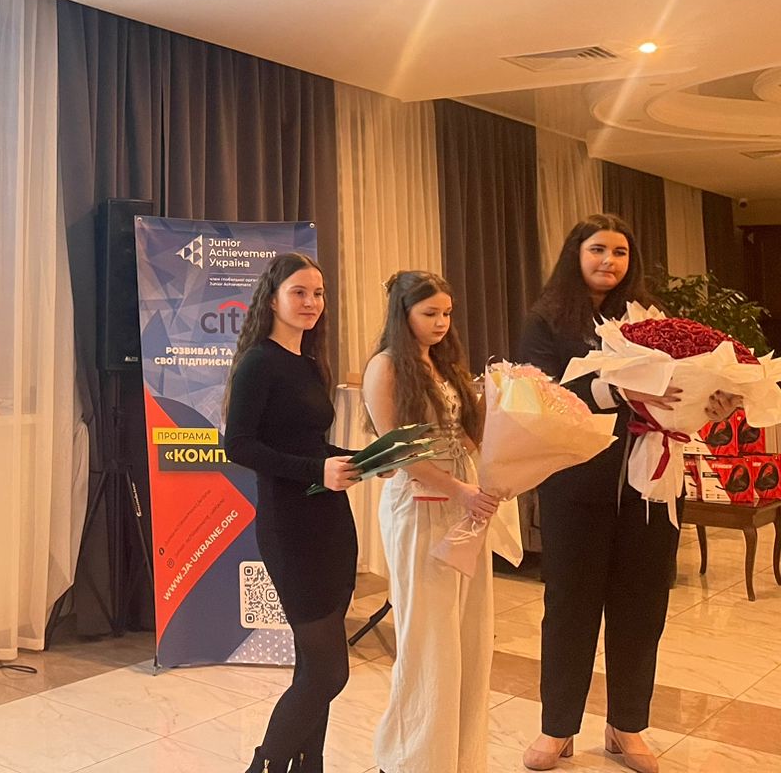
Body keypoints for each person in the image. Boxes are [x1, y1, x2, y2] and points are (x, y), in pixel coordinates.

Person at [517, 215, 682, 773]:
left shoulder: (650, 318)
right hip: (574, 482)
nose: (609, 261)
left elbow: (678, 385)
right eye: (597, 249)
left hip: (649, 482)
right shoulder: (545, 320)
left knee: (642, 606)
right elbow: (538, 393)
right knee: (570, 607)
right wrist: (614, 390)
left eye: (619, 251)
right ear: (576, 253)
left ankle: (626, 727)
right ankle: (558, 728)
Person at [222, 252, 357, 773]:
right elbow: (239, 445)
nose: (311, 302)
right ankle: (265, 764)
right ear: (273, 298)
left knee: (312, 665)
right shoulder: (259, 361)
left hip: (330, 521)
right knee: (328, 673)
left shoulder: (309, 362)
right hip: (290, 526)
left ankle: (308, 764)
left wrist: (361, 461)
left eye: (318, 293)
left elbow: (308, 443)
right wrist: (316, 470)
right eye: (299, 292)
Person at [362, 271, 498, 773]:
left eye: (447, 313)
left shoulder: (445, 364)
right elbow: (397, 453)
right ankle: (410, 757)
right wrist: (460, 489)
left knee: (469, 632)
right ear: (403, 314)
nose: (441, 323)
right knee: (428, 636)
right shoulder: (385, 367)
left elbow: (467, 437)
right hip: (419, 505)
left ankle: (456, 757)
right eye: (430, 313)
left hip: (465, 502)